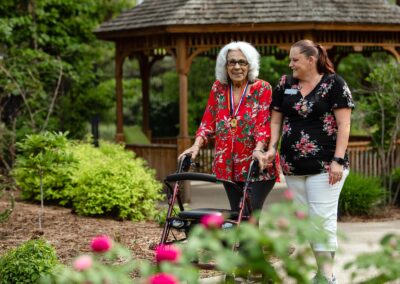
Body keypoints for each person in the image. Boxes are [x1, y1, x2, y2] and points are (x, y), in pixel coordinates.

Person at [264, 39, 354, 284]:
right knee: (309, 222)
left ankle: (326, 277)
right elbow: (275, 121)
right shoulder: (285, 84)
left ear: (311, 60)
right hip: (292, 167)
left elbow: (345, 124)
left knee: (322, 218)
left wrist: (337, 159)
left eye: (295, 59)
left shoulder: (334, 83)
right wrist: (272, 148)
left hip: (326, 167)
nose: (290, 64)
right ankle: (322, 272)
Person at [178, 41, 279, 218]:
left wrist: (258, 149)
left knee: (248, 215)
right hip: (228, 165)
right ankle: (249, 246)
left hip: (256, 163)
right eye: (232, 62)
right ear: (224, 65)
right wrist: (195, 146)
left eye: (242, 62)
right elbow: (208, 121)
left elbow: (263, 123)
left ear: (250, 65)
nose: (237, 67)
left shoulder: (262, 88)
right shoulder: (218, 88)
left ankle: (249, 246)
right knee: (237, 216)